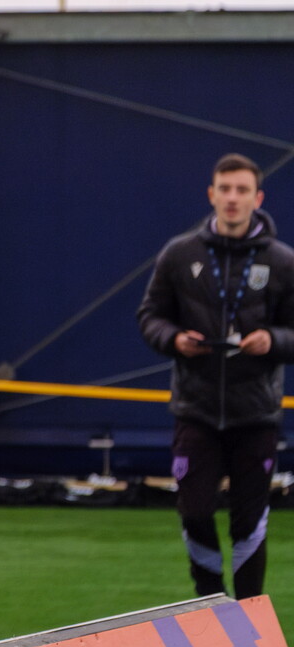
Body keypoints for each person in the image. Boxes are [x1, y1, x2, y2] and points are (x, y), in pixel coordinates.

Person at [138, 152, 294, 600]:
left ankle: (247, 615)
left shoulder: (282, 262)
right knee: (194, 512)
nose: (232, 198)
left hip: (256, 414)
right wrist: (173, 340)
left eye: (242, 190)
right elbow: (149, 316)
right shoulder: (179, 253)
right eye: (224, 189)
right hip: (196, 410)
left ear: (257, 198)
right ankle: (209, 604)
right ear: (211, 194)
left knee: (250, 522)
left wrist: (273, 340)